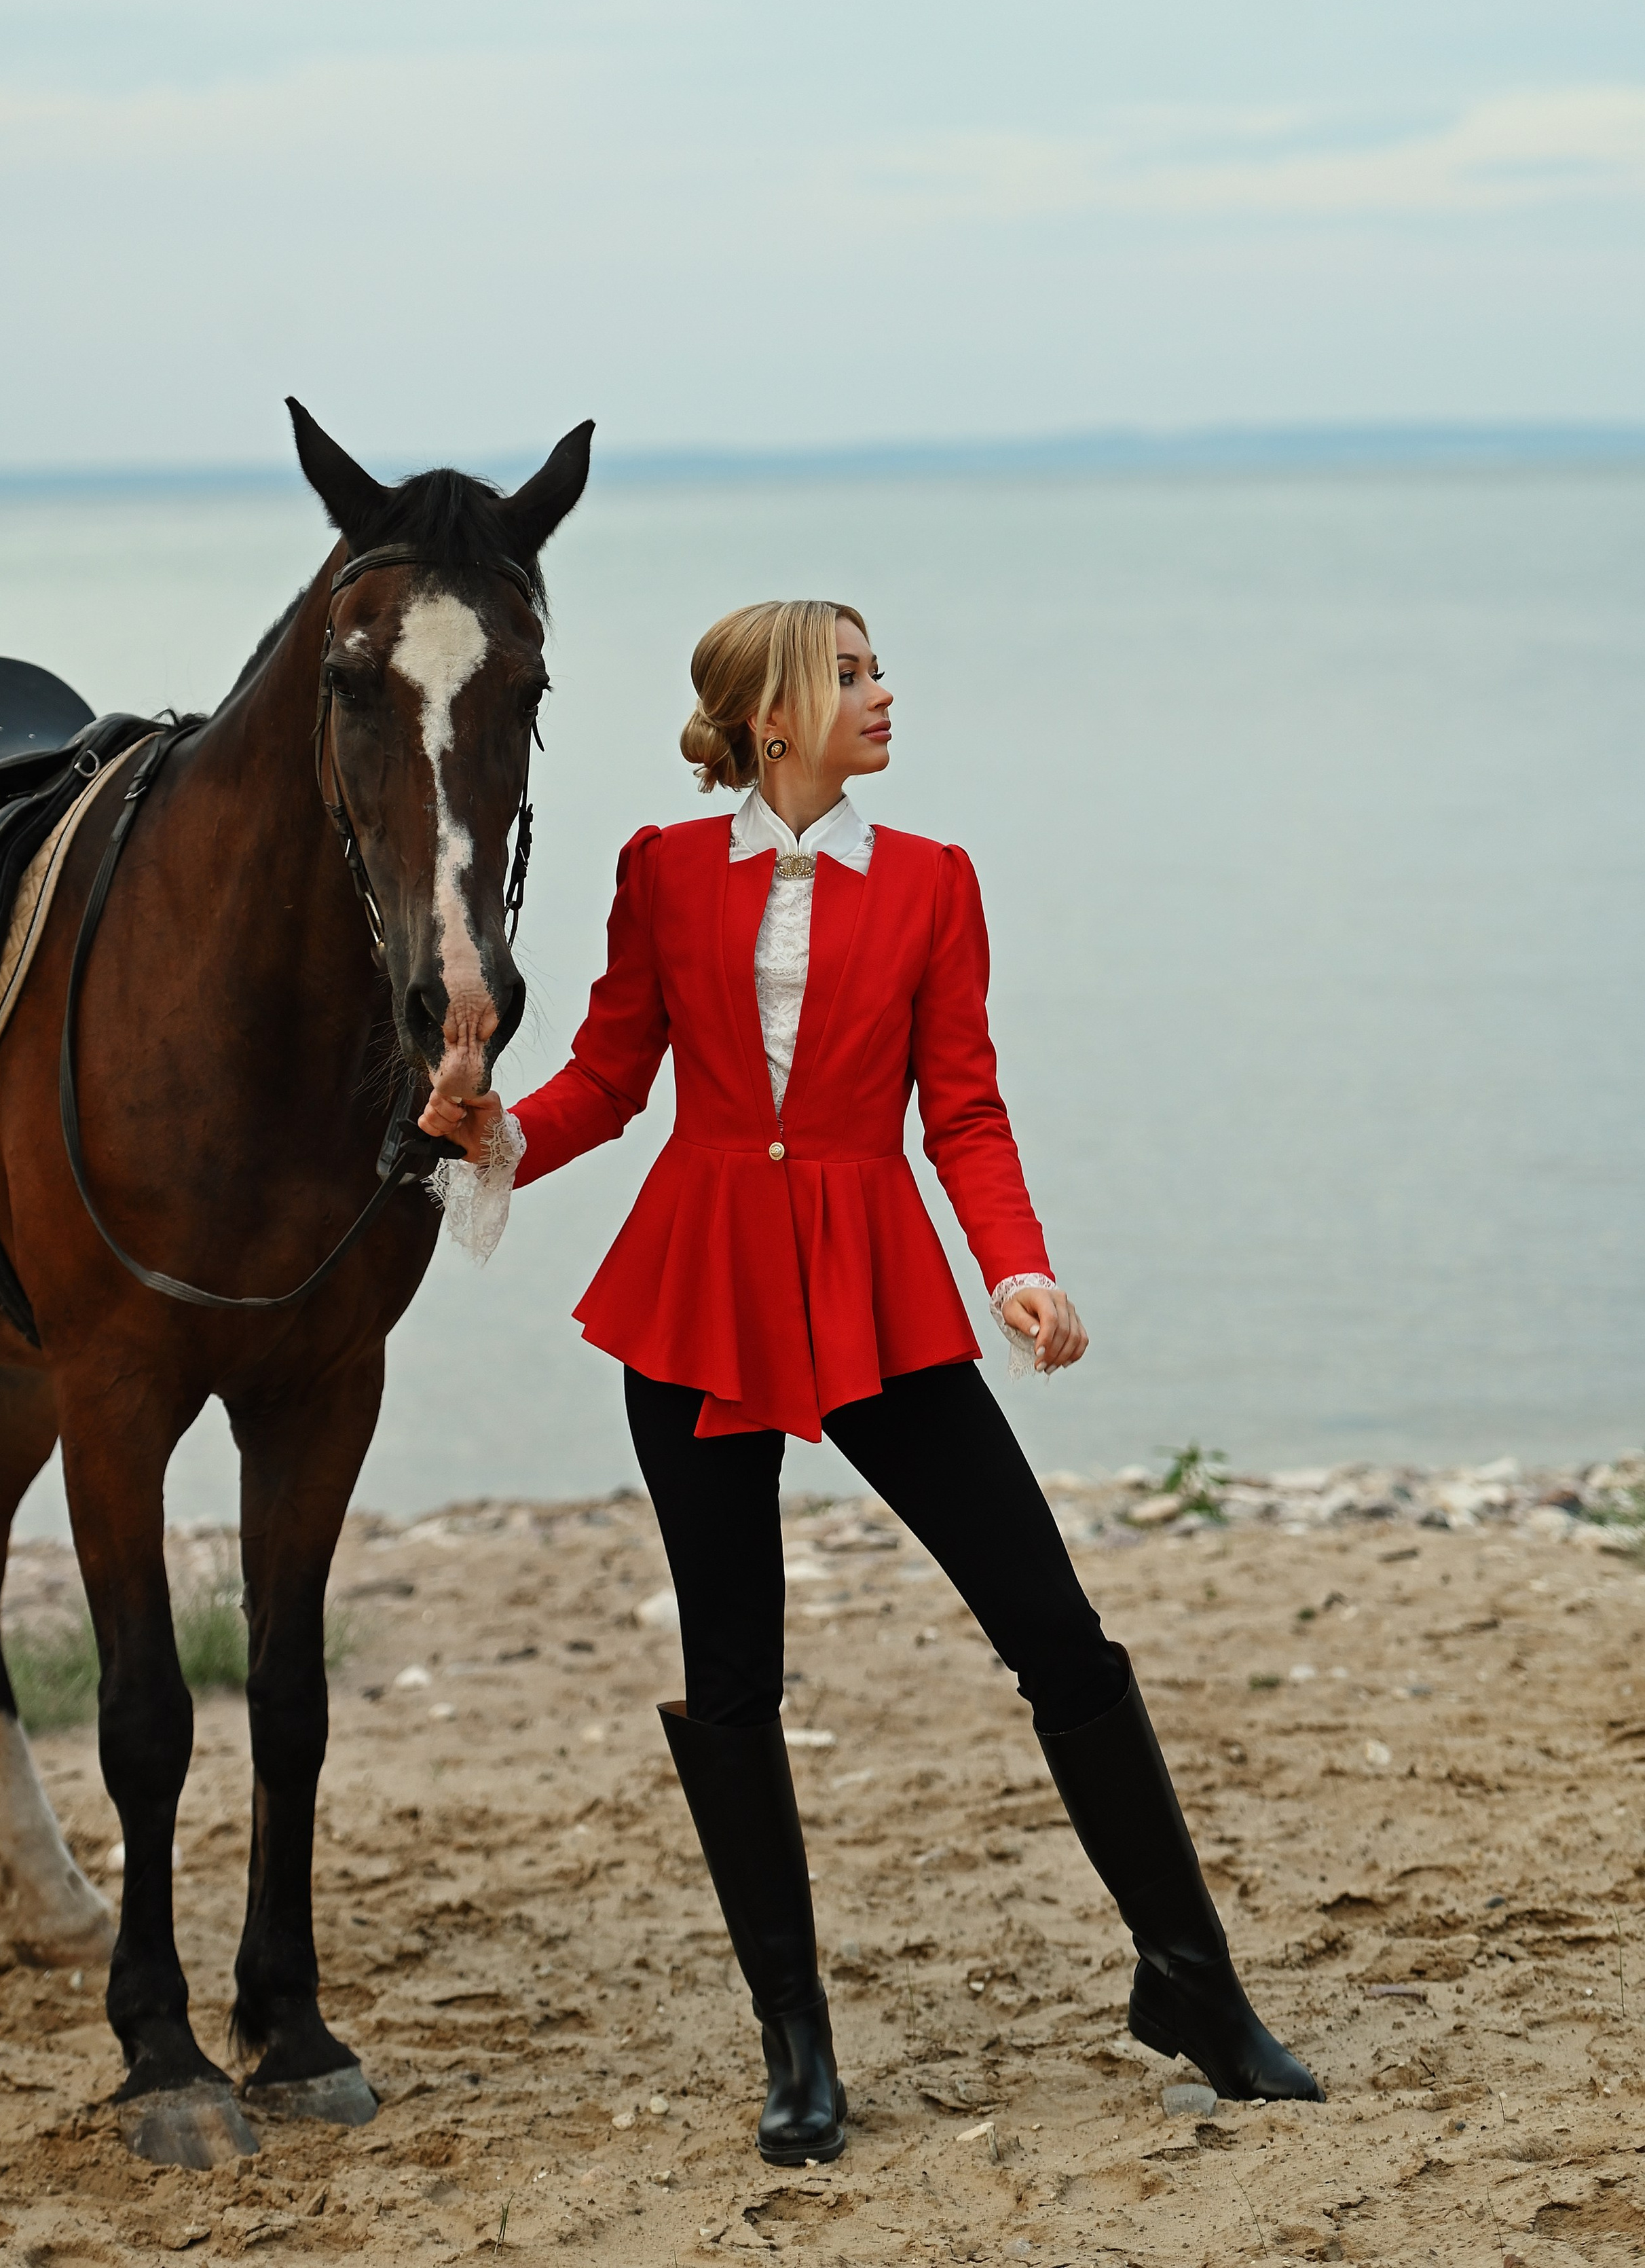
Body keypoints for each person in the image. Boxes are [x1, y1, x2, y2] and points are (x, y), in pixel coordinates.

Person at [420, 599, 1321, 2163]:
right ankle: (796, 2045)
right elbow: (614, 1077)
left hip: (874, 1288)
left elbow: (961, 1110)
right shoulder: (656, 870)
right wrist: (491, 1132)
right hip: (697, 1292)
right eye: (848, 674)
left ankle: (1192, 1981)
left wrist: (1016, 1265)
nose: (881, 693)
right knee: (732, 1676)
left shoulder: (930, 883)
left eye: (875, 668)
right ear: (771, 716)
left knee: (1054, 1632)